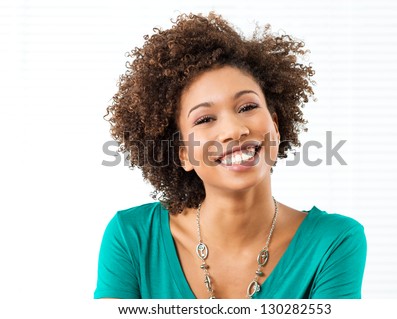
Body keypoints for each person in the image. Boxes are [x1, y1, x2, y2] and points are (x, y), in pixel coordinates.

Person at [94, 12, 366, 299]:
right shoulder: (132, 238)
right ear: (182, 153)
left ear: (275, 126)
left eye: (247, 107)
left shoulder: (333, 241)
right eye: (204, 119)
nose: (234, 130)